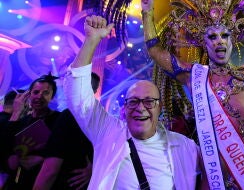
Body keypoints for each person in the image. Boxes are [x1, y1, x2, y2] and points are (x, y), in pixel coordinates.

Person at [141, 0, 244, 189]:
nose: (219, 41)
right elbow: (156, 51)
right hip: (215, 178)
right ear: (204, 44)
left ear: (233, 40)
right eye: (212, 37)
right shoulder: (195, 76)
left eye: (225, 35)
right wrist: (147, 14)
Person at [62, 15, 207, 190]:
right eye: (133, 101)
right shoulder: (108, 132)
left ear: (159, 108)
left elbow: (219, 168)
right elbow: (77, 94)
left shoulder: (185, 146)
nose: (140, 108)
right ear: (124, 109)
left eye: (149, 101)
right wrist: (91, 40)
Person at [33, 72, 99, 190]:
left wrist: (94, 168)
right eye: (36, 92)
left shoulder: (67, 117)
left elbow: (50, 170)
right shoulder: (98, 118)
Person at [1, 74, 61, 189]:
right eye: (36, 92)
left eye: (46, 93)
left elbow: (66, 149)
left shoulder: (58, 120)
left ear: (52, 97)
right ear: (29, 95)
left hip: (44, 181)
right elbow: (5, 146)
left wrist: (43, 159)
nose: (39, 96)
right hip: (18, 180)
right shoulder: (23, 120)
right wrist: (16, 112)